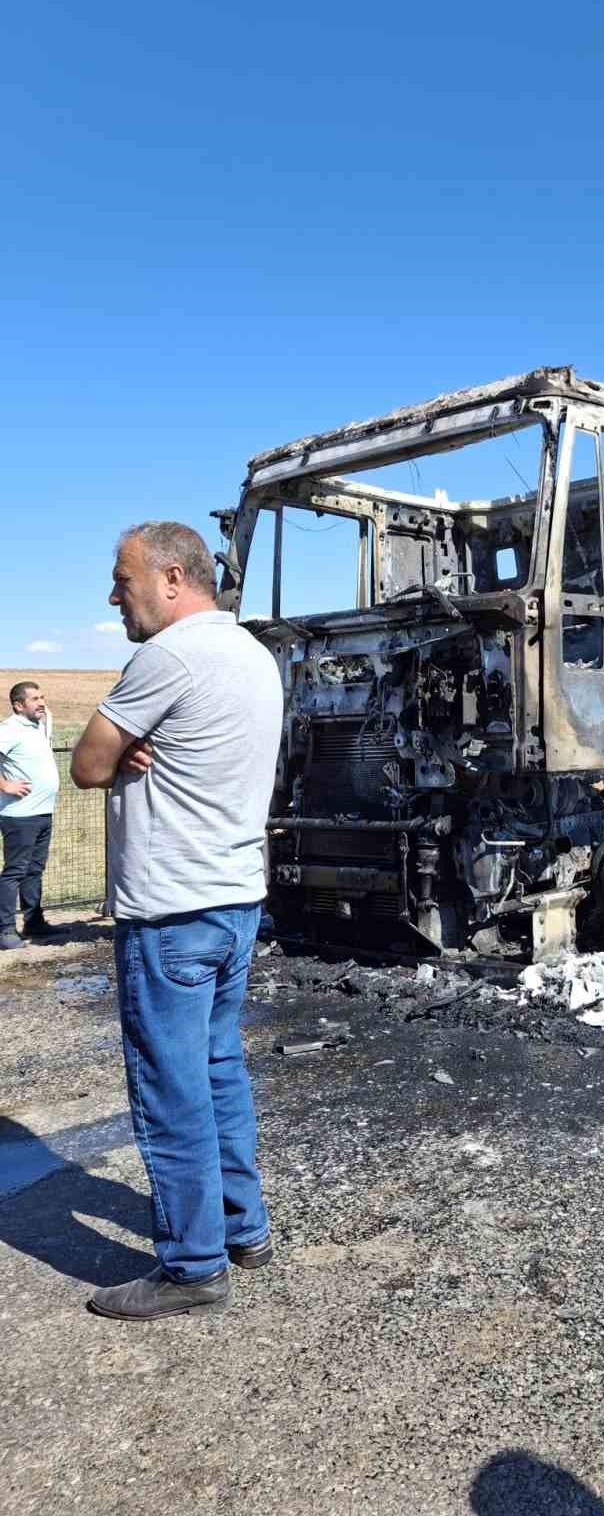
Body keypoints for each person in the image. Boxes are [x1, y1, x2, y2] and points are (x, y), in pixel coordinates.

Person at [71, 521, 283, 1320]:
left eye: (121, 580)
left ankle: (193, 1267)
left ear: (170, 577)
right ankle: (243, 1229)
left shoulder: (169, 656)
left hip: (170, 909)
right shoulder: (252, 654)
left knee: (172, 1087)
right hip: (233, 900)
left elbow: (88, 763)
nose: (113, 595)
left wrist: (124, 749)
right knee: (218, 1066)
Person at [0, 681, 60, 948]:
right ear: (18, 705)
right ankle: (5, 931)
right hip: (20, 815)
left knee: (34, 870)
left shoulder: (38, 726)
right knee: (15, 871)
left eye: (42, 696)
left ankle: (34, 922)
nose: (42, 702)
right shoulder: (9, 729)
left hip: (43, 811)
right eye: (35, 698)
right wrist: (5, 785)